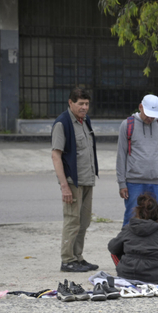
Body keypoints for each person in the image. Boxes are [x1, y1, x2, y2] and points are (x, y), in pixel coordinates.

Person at [51, 87, 99, 273]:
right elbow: (56, 156)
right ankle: (67, 259)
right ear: (70, 103)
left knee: (84, 221)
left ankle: (78, 257)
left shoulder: (85, 121)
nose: (84, 107)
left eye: (87, 104)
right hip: (72, 181)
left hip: (87, 180)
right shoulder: (62, 124)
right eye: (80, 104)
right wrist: (64, 186)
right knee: (72, 220)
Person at [116, 94, 158, 233]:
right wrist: (122, 183)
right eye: (148, 114)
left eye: (153, 115)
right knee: (131, 219)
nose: (150, 118)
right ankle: (125, 252)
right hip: (134, 182)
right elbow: (121, 156)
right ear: (140, 107)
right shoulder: (127, 125)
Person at [108, 193, 158, 284]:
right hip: (153, 276)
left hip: (126, 273)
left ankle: (126, 271)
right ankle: (154, 274)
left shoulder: (128, 227)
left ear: (138, 212)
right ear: (157, 214)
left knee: (115, 250)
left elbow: (112, 247)